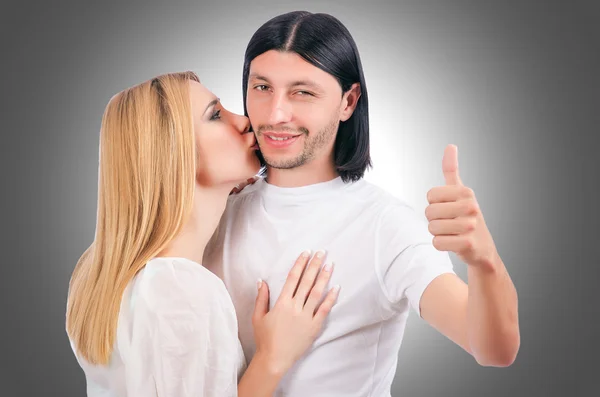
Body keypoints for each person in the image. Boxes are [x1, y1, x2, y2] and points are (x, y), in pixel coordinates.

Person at [204, 11, 520, 396]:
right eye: (262, 87)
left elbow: (493, 349)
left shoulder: (385, 226)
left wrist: (484, 260)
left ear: (348, 101)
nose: (275, 114)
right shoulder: (216, 210)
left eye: (302, 92)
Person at [65, 71, 340, 397]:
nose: (243, 120)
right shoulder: (181, 290)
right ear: (173, 153)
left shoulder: (99, 273)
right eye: (215, 115)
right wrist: (272, 358)